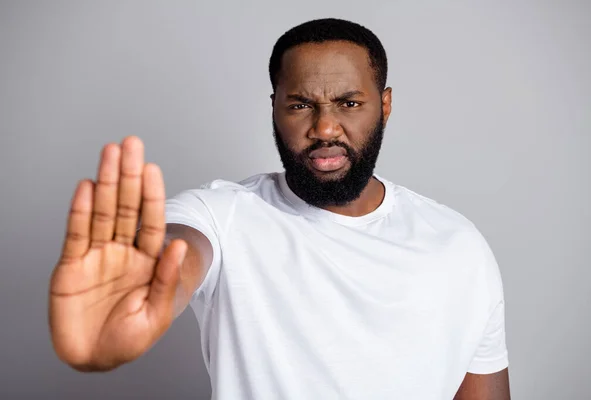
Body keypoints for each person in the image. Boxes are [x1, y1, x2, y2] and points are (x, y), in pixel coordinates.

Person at [48, 18, 510, 400]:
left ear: (384, 105)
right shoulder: (224, 216)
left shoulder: (458, 246)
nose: (325, 127)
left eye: (349, 103)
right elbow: (180, 250)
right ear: (275, 109)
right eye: (300, 104)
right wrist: (137, 289)